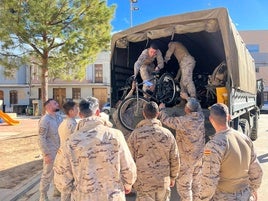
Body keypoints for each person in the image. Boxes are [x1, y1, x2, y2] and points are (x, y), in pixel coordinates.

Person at [53, 97, 137, 200]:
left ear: (80, 114)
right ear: (97, 112)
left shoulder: (70, 141)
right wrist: (128, 185)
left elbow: (61, 176)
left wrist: (73, 191)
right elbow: (128, 167)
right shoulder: (116, 136)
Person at [198, 103, 263, 201]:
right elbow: (257, 170)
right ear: (229, 117)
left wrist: (202, 198)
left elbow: (209, 180)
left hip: (224, 197)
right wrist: (253, 189)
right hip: (245, 196)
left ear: (211, 120)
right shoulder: (245, 139)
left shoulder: (213, 146)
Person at [127, 101, 180, 201]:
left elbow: (129, 160)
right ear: (158, 114)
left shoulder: (135, 134)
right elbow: (175, 157)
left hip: (143, 183)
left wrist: (129, 181)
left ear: (143, 114)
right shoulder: (167, 134)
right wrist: (173, 177)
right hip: (162, 182)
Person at [159, 92, 205, 201]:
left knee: (185, 187)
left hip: (186, 159)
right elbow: (197, 106)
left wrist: (162, 110)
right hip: (199, 158)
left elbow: (167, 120)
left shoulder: (184, 121)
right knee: (197, 185)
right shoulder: (200, 117)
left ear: (187, 110)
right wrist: (188, 98)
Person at [38, 99, 63, 201]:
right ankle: (43, 195)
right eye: (55, 103)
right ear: (48, 106)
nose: (57, 104)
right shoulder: (45, 120)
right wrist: (46, 153)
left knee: (59, 171)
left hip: (59, 150)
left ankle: (57, 190)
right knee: (47, 173)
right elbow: (41, 138)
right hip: (50, 150)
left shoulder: (59, 117)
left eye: (57, 103)